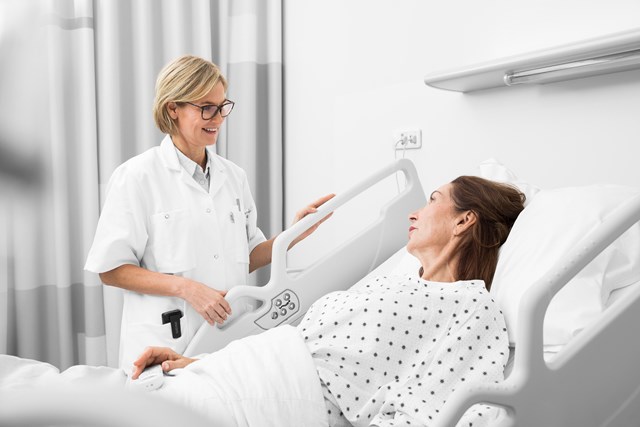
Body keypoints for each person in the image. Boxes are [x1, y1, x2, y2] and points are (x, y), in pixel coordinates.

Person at [129, 176, 526, 427]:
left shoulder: (471, 308)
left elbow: (435, 408)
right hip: (245, 373)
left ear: (463, 221)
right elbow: (313, 343)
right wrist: (197, 362)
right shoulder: (395, 284)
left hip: (280, 398)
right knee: (105, 398)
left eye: (433, 200)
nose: (414, 212)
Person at [84, 55, 333, 372]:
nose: (218, 118)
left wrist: (293, 235)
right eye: (206, 108)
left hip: (228, 342)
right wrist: (187, 289)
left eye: (222, 106)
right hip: (166, 342)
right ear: (173, 108)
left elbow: (248, 254)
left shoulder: (233, 176)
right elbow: (111, 269)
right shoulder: (137, 176)